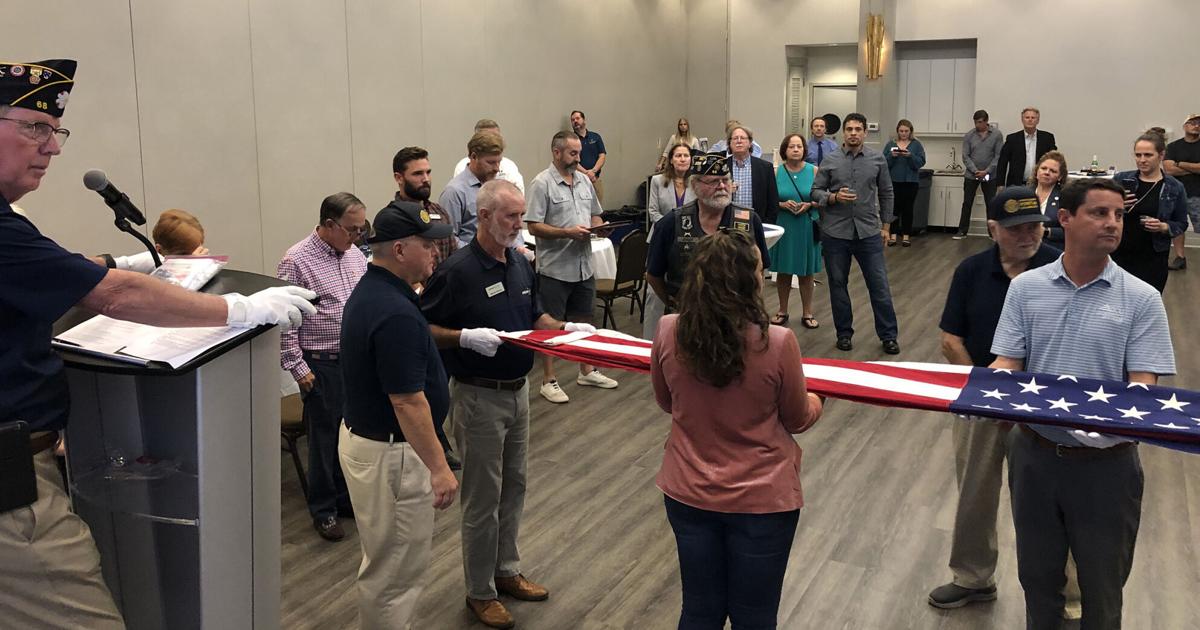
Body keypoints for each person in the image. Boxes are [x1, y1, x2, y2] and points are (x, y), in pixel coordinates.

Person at [0, 58, 315, 628]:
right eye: (34, 128)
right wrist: (238, 308)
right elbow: (116, 298)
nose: (53, 147)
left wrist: (121, 260)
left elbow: (49, 271)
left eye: (55, 131)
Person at [991, 177, 1175, 629]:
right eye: (1099, 213)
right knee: (1037, 579)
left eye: (1118, 215)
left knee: (1103, 587)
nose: (1112, 223)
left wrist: (1109, 421)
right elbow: (1007, 363)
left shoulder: (1142, 299)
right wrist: (974, 391)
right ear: (1065, 219)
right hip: (1034, 455)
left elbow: (1143, 385)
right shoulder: (1026, 289)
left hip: (1107, 466)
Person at [423, 180, 588, 629]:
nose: (519, 224)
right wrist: (462, 338)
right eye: (511, 217)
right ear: (484, 217)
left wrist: (564, 327)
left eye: (520, 216)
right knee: (482, 498)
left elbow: (536, 314)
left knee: (514, 486)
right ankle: (479, 590)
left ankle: (506, 570)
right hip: (478, 397)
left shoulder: (518, 263)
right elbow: (423, 329)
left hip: (519, 392)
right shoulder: (457, 271)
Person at [651, 229, 823, 630]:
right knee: (754, 616)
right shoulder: (777, 342)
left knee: (699, 610)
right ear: (749, 280)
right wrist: (820, 399)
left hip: (688, 491)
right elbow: (798, 418)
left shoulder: (668, 330)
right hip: (762, 499)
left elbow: (667, 402)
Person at [927, 187, 1061, 610]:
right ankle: (973, 576)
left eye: (1034, 226)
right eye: (1016, 228)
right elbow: (951, 339)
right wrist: (988, 395)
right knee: (975, 493)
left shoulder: (1060, 269)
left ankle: (1056, 588)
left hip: (1042, 406)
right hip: (980, 403)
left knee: (1047, 501)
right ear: (992, 229)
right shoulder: (971, 271)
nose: (1028, 235)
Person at [337, 201, 459, 630]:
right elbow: (407, 402)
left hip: (370, 442)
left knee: (384, 560)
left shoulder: (374, 291)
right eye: (428, 246)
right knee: (396, 572)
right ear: (402, 250)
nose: (436, 254)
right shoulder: (394, 312)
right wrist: (440, 467)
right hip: (394, 456)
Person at [277, 192, 369, 542]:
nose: (357, 237)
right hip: (320, 364)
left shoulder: (355, 255)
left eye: (361, 230)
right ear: (329, 225)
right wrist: (298, 369)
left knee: (351, 435)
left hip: (353, 361)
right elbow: (286, 323)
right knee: (323, 439)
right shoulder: (296, 261)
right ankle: (323, 509)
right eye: (351, 230)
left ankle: (344, 498)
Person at [525, 131, 618, 403]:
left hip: (583, 266)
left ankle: (586, 369)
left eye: (579, 153)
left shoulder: (583, 182)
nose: (579, 158)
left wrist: (602, 227)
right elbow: (533, 226)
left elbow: (595, 215)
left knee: (584, 320)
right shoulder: (541, 184)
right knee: (551, 326)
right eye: (573, 153)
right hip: (555, 268)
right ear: (556, 152)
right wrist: (566, 232)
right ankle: (549, 379)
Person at [646, 152, 772, 339]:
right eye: (714, 181)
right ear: (695, 186)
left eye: (726, 180)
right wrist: (674, 303)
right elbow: (653, 275)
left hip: (738, 322)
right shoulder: (671, 223)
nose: (722, 186)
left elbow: (760, 271)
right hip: (688, 320)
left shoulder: (749, 220)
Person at [811, 112, 899, 354]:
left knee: (879, 285)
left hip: (868, 232)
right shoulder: (830, 159)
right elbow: (815, 191)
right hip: (835, 233)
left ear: (864, 133)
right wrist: (833, 197)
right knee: (838, 285)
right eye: (849, 129)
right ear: (843, 132)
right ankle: (844, 334)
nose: (853, 133)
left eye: (857, 129)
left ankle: (889, 335)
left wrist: (886, 226)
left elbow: (887, 192)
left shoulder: (877, 159)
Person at [1111, 132, 1189, 293]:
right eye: (1138, 155)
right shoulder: (1120, 180)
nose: (1142, 160)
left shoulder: (1174, 187)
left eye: (1148, 155)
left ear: (1161, 155)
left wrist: (1164, 227)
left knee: (1147, 306)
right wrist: (1116, 205)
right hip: (1118, 253)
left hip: (1153, 257)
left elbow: (1181, 223)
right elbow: (1098, 210)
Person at [769, 133, 822, 329]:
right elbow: (770, 199)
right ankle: (782, 310)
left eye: (799, 146)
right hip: (784, 225)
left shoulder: (814, 171)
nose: (796, 150)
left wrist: (809, 204)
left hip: (806, 225)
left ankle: (807, 312)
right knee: (784, 270)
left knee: (806, 272)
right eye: (792, 146)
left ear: (804, 150)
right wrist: (782, 204)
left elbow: (822, 198)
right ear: (785, 150)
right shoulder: (776, 172)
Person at [440, 131, 505, 250]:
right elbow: (449, 239)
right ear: (474, 157)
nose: (497, 168)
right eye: (490, 162)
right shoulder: (454, 192)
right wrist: (479, 253)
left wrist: (518, 248)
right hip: (471, 262)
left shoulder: (498, 187)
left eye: (499, 162)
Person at [395, 146, 456, 264]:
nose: (426, 179)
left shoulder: (439, 212)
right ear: (399, 178)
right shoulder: (392, 219)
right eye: (418, 174)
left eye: (428, 172)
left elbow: (454, 258)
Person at [956, 110, 1002, 239]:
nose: (977, 125)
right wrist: (975, 170)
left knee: (991, 204)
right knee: (967, 203)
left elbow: (998, 156)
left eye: (980, 122)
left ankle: (992, 233)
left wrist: (986, 171)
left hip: (990, 175)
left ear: (986, 121)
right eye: (975, 122)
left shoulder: (997, 135)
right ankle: (962, 231)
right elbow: (965, 156)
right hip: (972, 175)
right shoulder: (969, 135)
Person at [1164, 113, 1200, 269]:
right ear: (1185, 126)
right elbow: (1169, 170)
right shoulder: (1173, 147)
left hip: (1197, 194)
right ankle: (1180, 258)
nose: (1196, 125)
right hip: (1176, 194)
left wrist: (1179, 163)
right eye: (1192, 122)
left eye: (1199, 123)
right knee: (1177, 227)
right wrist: (1194, 168)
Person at [883, 119, 927, 247]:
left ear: (910, 131)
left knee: (908, 209)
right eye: (901, 131)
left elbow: (921, 162)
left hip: (910, 181)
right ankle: (893, 235)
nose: (903, 133)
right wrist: (892, 156)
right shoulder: (890, 144)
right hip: (894, 181)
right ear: (897, 131)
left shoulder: (916, 145)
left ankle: (906, 236)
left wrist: (910, 156)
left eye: (906, 131)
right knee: (894, 209)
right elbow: (883, 162)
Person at [453, 119, 525, 195]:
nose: (493, 141)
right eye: (486, 137)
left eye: (496, 137)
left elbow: (518, 198)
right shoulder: (462, 166)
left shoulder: (509, 166)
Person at [727, 125, 780, 223]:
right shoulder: (722, 166)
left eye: (742, 138)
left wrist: (767, 225)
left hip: (757, 223)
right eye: (735, 138)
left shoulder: (765, 168)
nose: (739, 141)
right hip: (727, 224)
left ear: (750, 143)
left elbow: (773, 201)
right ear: (729, 143)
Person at [995, 107, 1057, 187]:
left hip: (1041, 184)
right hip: (1017, 184)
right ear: (1022, 120)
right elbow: (1002, 162)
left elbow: (1054, 161)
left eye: (1033, 117)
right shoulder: (1012, 139)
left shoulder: (1047, 138)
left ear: (1038, 120)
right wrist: (1000, 184)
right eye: (1027, 117)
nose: (1030, 120)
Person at [1028, 151, 1069, 246]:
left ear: (1060, 177)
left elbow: (1071, 230)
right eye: (1043, 168)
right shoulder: (1024, 193)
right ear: (1037, 171)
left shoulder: (1065, 197)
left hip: (1052, 247)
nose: (1047, 172)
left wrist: (1046, 232)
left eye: (1053, 171)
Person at [570, 110, 607, 203]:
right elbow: (572, 159)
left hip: (595, 179)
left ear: (584, 120)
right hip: (578, 182)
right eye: (572, 120)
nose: (575, 121)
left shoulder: (595, 137)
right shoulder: (570, 139)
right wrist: (587, 173)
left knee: (597, 212)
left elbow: (602, 155)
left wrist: (593, 171)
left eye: (577, 118)